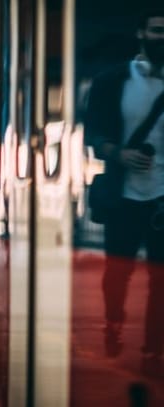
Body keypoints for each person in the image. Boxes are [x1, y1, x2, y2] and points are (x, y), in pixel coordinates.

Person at [84, 7, 164, 377]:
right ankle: (112, 324)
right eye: (157, 30)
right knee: (118, 274)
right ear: (141, 34)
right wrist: (121, 153)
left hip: (162, 198)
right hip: (124, 196)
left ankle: (153, 350)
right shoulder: (111, 81)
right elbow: (94, 137)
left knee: (160, 280)